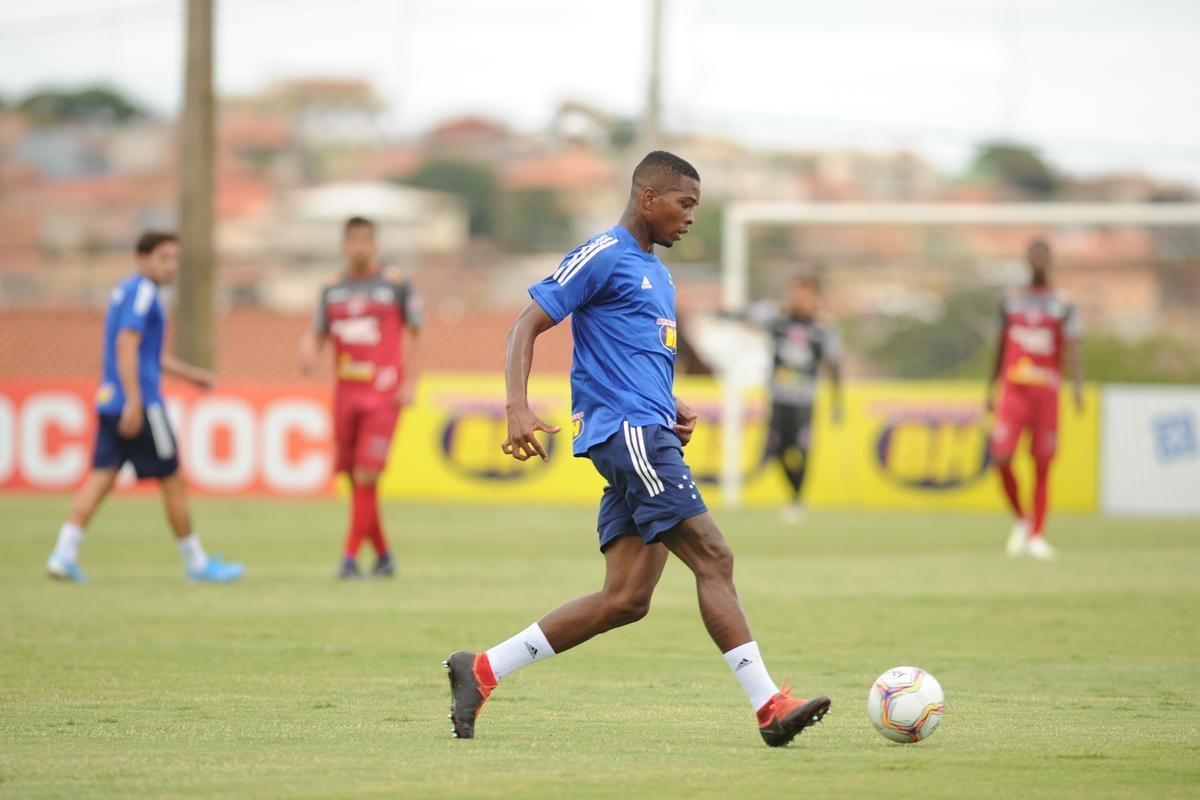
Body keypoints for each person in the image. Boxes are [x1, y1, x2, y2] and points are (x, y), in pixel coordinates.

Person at [444, 151, 830, 747]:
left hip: (647, 428)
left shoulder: (658, 273)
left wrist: (669, 403)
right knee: (714, 557)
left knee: (625, 599)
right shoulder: (603, 253)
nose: (691, 216)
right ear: (648, 198)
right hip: (629, 434)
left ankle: (482, 670)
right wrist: (517, 405)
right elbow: (525, 324)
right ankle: (769, 707)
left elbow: (632, 355)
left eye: (695, 206)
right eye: (684, 203)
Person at [45, 231, 245, 584]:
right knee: (173, 479)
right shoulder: (144, 292)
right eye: (164, 258)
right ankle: (197, 563)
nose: (171, 267)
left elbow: (146, 353)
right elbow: (127, 343)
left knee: (102, 476)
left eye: (175, 259)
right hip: (143, 405)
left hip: (110, 400)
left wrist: (191, 375)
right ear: (143, 258)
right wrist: (135, 402)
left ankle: (63, 554)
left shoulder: (124, 291)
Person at [300, 217, 421, 579]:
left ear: (375, 244)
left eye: (366, 239)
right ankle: (383, 556)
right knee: (355, 479)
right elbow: (317, 332)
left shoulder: (395, 283)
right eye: (354, 239)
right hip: (346, 393)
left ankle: (349, 559)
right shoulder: (332, 288)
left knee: (367, 474)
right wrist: (309, 352)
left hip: (383, 393)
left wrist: (410, 380)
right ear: (344, 245)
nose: (360, 246)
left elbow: (417, 331)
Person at [986, 239, 1083, 560]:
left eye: (1043, 257)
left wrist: (1077, 387)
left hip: (1046, 392)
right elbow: (1000, 345)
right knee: (1000, 456)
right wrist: (990, 388)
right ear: (1027, 260)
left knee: (1042, 464)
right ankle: (1021, 518)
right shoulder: (1011, 300)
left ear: (1050, 261)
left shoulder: (1064, 302)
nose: (1038, 262)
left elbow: (1073, 345)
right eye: (1033, 257)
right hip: (1014, 389)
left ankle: (1037, 535)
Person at [753, 275, 843, 522]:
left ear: (814, 298)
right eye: (794, 293)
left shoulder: (822, 328)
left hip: (804, 399)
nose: (797, 298)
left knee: (801, 449)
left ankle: (797, 500)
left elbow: (834, 364)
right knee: (776, 449)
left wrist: (837, 401)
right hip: (779, 396)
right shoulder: (778, 320)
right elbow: (751, 315)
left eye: (803, 294)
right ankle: (795, 496)